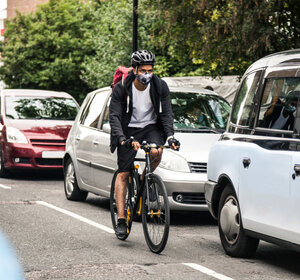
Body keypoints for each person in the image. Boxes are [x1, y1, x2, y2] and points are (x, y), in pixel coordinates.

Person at [109, 50, 180, 236]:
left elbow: (166, 114)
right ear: (134, 70)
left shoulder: (160, 86)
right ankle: (122, 219)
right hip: (127, 128)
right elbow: (114, 116)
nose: (147, 74)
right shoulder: (121, 89)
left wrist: (171, 136)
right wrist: (122, 139)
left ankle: (144, 179)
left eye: (150, 70)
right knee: (123, 173)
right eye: (143, 71)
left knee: (156, 152)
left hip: (150, 127)